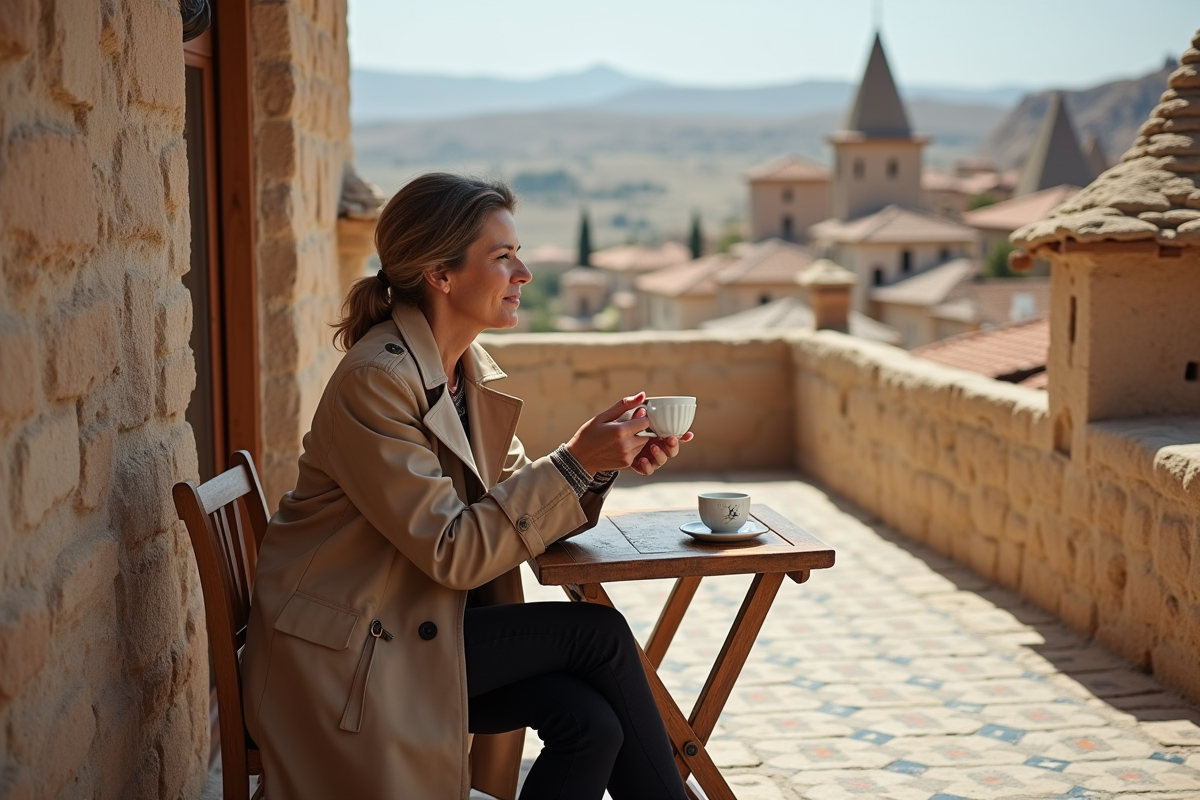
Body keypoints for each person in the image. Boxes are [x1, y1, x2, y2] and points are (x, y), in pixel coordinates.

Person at [241, 173, 693, 800]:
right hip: (352, 654)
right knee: (599, 637)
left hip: (415, 626)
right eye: (503, 257)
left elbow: (512, 502)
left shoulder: (462, 373)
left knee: (590, 723)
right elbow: (456, 549)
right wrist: (573, 463)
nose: (524, 273)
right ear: (441, 274)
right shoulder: (376, 381)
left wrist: (601, 459)